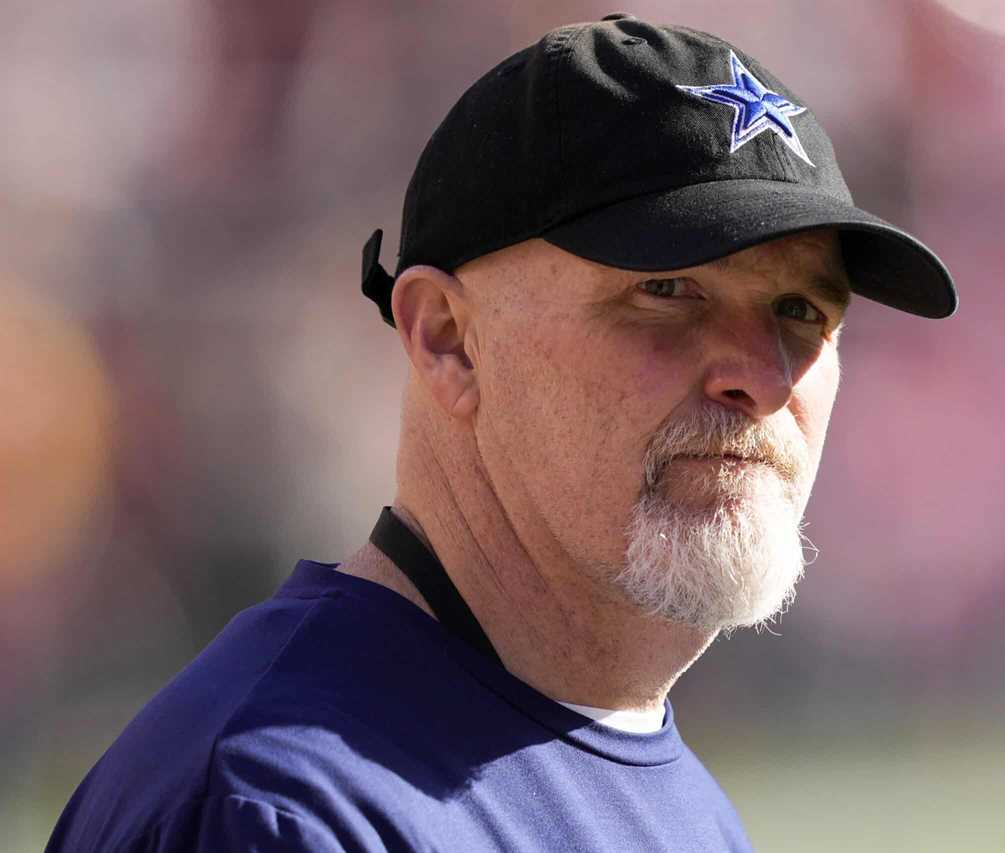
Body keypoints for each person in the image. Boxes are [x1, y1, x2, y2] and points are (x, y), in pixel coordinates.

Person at [47, 14, 955, 852]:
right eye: (668, 290)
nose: (758, 376)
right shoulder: (278, 807)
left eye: (800, 310)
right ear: (448, 340)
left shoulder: (672, 796)